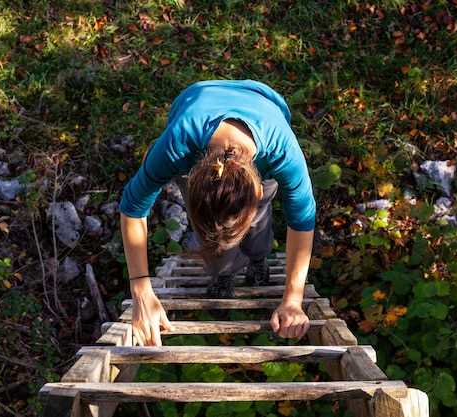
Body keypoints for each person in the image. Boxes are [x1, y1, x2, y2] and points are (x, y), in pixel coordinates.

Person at [119, 80, 316, 346]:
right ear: (191, 183)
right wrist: (141, 291)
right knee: (215, 238)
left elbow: (303, 222)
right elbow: (132, 207)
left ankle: (258, 257)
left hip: (264, 103)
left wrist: (293, 299)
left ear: (258, 191)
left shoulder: (282, 153)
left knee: (256, 225)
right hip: (194, 106)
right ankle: (223, 273)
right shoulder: (177, 146)